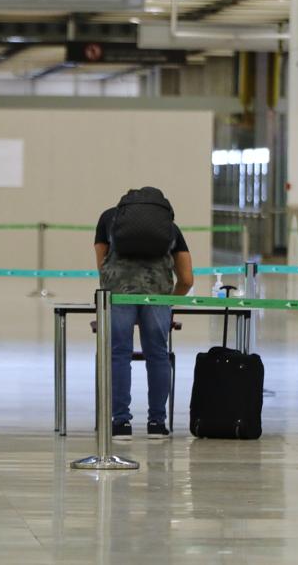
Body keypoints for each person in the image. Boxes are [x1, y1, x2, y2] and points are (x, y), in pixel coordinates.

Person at [94, 187, 194, 440]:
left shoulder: (108, 219)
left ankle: (120, 424)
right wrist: (169, 301)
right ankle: (157, 424)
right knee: (158, 355)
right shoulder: (170, 227)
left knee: (118, 354)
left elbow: (101, 267)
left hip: (118, 294)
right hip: (158, 296)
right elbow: (187, 278)